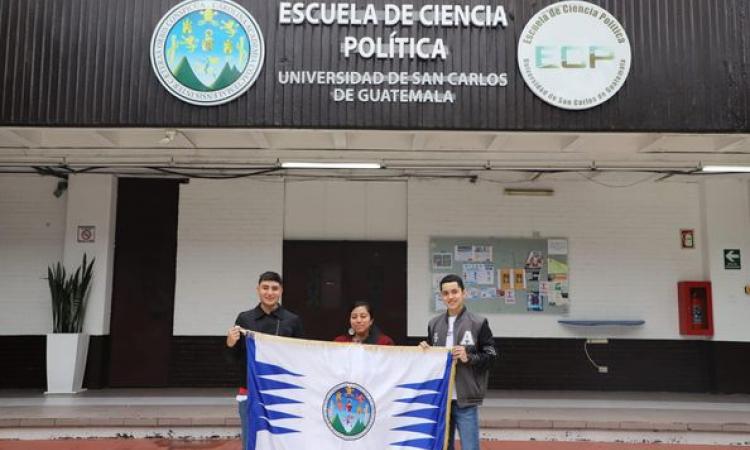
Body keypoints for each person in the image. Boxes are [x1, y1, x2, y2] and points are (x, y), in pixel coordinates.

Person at [226, 271, 303, 450]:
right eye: (265, 287)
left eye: (274, 288)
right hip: (250, 389)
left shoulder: (292, 320)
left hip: (282, 390)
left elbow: (300, 357)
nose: (270, 292)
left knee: (283, 438)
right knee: (251, 438)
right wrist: (230, 343)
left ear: (281, 291)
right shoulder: (245, 318)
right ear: (258, 290)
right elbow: (234, 357)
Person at [420, 274, 497, 450]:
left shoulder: (478, 323)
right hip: (442, 399)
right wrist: (424, 351)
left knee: (470, 447)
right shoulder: (434, 324)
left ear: (464, 293)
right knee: (443, 447)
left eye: (455, 292)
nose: (451, 297)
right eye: (446, 293)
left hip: (466, 400)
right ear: (441, 296)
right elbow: (432, 360)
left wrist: (468, 357)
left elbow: (491, 356)